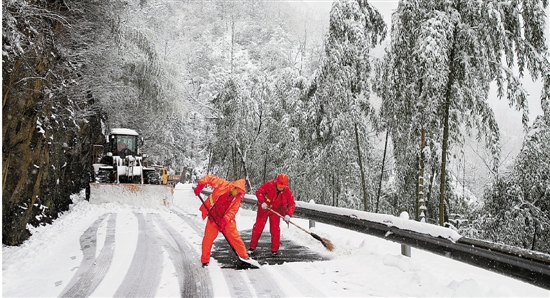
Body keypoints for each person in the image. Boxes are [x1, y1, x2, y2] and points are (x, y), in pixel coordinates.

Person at [194, 174, 250, 267]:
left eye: (240, 192)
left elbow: (233, 211)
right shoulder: (222, 184)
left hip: (226, 220)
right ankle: (205, 260)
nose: (237, 194)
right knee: (208, 238)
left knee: (234, 237)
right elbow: (209, 178)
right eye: (237, 191)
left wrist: (224, 221)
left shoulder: (237, 198)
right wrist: (200, 185)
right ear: (234, 187)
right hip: (213, 216)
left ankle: (244, 257)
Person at [248, 173, 296, 255]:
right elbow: (259, 191)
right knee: (258, 228)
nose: (281, 187)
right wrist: (262, 202)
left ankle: (274, 250)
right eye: (279, 185)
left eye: (283, 186)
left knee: (275, 230)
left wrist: (288, 214)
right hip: (264, 209)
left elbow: (292, 204)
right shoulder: (269, 185)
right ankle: (252, 247)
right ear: (276, 182)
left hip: (276, 211)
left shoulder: (287, 191)